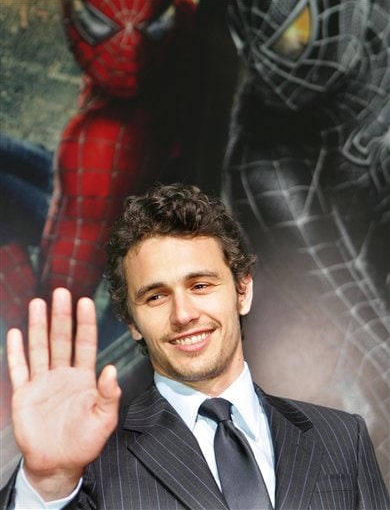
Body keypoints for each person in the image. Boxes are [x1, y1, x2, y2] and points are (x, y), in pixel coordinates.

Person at [1, 183, 388, 510]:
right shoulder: (89, 464)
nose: (183, 314)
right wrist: (47, 482)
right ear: (132, 322)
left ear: (243, 291)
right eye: (155, 296)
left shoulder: (342, 438)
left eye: (200, 285)